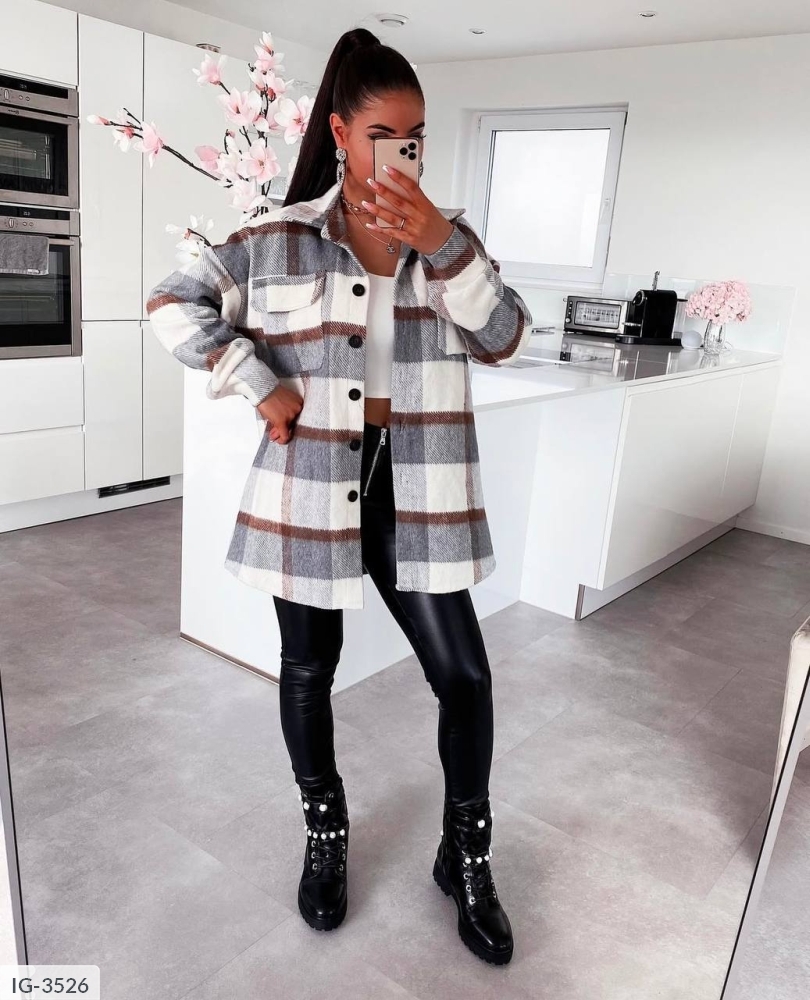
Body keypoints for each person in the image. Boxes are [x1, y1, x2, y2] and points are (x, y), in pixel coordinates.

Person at [146, 26, 533, 966]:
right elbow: (169, 303)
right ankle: (326, 833)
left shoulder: (449, 240)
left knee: (465, 676)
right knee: (307, 670)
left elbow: (505, 336)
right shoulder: (278, 239)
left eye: (417, 138)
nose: (402, 154)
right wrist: (254, 379)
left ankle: (466, 856)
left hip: (419, 479)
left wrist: (442, 243)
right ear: (339, 133)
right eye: (383, 136)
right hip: (313, 481)